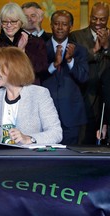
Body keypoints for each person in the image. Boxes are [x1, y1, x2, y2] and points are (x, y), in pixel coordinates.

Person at [0, 47, 62, 145]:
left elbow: (56, 133)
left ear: (13, 68)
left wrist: (29, 139)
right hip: (1, 158)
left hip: (29, 159)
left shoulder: (39, 94)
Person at [41, 10, 89, 145]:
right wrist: (54, 65)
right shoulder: (41, 49)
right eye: (56, 24)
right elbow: (35, 77)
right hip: (46, 113)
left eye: (64, 24)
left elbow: (84, 78)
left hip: (71, 115)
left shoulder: (80, 50)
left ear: (71, 26)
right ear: (51, 25)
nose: (60, 28)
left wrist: (69, 61)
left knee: (71, 160)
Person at [0, 2, 48, 91]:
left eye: (13, 21)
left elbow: (41, 69)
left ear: (21, 22)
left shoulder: (35, 42)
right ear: (0, 23)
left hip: (28, 92)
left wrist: (22, 52)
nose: (9, 25)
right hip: (0, 92)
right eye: (5, 21)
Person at [70, 2, 110, 145]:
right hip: (85, 95)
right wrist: (94, 50)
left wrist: (106, 47)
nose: (98, 23)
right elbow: (74, 61)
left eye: (102, 19)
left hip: (107, 99)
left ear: (108, 18)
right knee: (83, 141)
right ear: (89, 17)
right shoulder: (76, 36)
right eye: (94, 18)